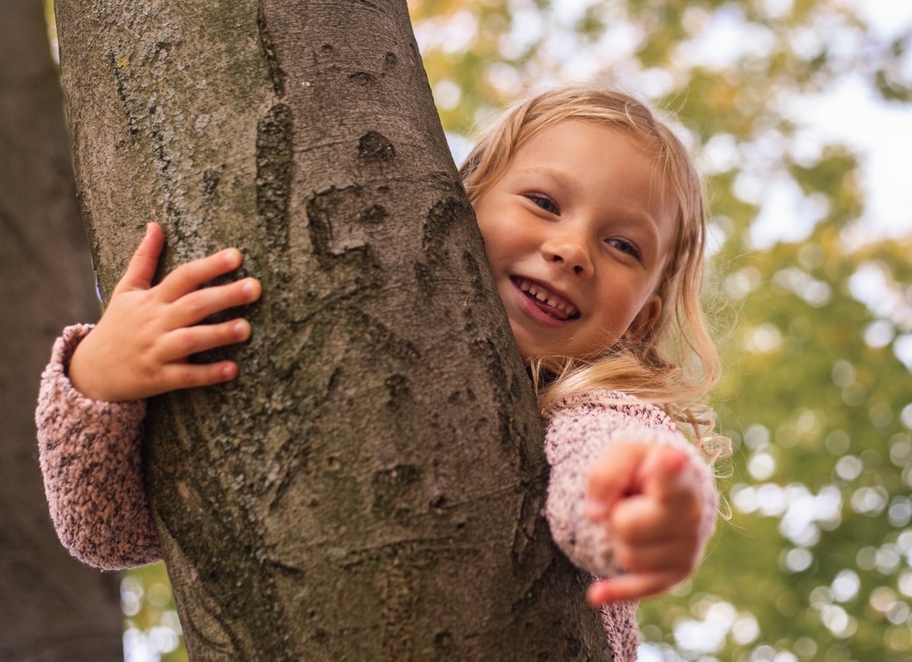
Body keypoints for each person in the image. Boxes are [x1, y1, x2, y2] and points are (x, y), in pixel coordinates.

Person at [36, 87, 726, 660]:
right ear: (461, 205)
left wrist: (642, 499)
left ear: (641, 318)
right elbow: (109, 530)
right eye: (544, 203)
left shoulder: (593, 410)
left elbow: (606, 471)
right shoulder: (348, 353)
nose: (573, 249)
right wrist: (98, 374)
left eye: (623, 244)